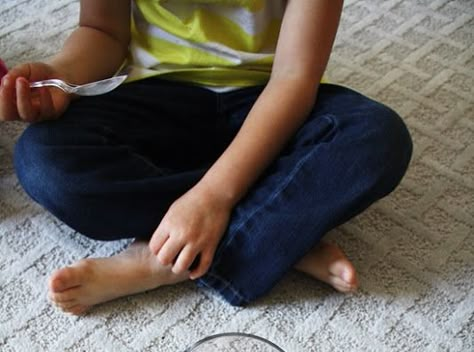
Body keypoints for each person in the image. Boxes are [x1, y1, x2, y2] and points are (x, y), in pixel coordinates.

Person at [0, 0, 412, 315]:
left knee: (377, 139)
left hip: (272, 101)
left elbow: (294, 78)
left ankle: (163, 261)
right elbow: (101, 31)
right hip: (156, 98)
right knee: (45, 160)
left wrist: (213, 198)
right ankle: (275, 233)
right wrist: (62, 76)